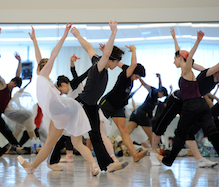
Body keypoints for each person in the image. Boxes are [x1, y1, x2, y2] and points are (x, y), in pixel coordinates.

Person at [17, 24, 100, 176]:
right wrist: (34, 40)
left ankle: (31, 167)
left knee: (49, 143)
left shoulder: (43, 76)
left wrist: (64, 35)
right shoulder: (45, 79)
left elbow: (52, 55)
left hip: (61, 110)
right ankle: (94, 165)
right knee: (76, 142)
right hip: (71, 108)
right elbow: (39, 58)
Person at [150, 28, 219, 168]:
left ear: (180, 59)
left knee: (182, 134)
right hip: (195, 103)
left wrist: (197, 42)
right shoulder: (187, 69)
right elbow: (182, 55)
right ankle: (159, 155)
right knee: (210, 132)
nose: (173, 61)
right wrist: (174, 38)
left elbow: (187, 56)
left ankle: (173, 160)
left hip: (190, 104)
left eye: (175, 58)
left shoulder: (187, 69)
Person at [70, 21, 128, 172]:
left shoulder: (96, 60)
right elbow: (107, 53)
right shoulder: (99, 66)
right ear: (111, 60)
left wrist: (78, 36)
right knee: (66, 133)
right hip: (82, 104)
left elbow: (88, 47)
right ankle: (53, 157)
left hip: (91, 105)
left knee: (95, 135)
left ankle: (107, 165)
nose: (117, 65)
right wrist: (113, 32)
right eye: (117, 62)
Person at [98, 43, 148, 163]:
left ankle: (134, 155)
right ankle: (89, 152)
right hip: (108, 103)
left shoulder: (129, 74)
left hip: (119, 107)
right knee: (98, 128)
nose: (136, 79)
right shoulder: (126, 75)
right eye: (136, 76)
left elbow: (118, 62)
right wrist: (134, 49)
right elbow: (133, 64)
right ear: (133, 72)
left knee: (124, 130)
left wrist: (107, 51)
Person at [0, 52, 24, 154]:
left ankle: (0, 150)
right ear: (11, 81)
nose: (14, 86)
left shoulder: (10, 89)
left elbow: (17, 75)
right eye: (14, 84)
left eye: (16, 86)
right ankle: (14, 144)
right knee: (4, 129)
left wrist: (20, 61)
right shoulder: (3, 85)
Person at [127, 74, 168, 146]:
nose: (161, 97)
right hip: (143, 114)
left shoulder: (154, 96)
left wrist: (159, 78)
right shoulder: (154, 91)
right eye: (163, 96)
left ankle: (119, 143)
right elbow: (145, 84)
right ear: (161, 93)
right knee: (151, 136)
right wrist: (139, 78)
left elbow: (159, 88)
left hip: (136, 113)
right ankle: (154, 152)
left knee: (127, 133)